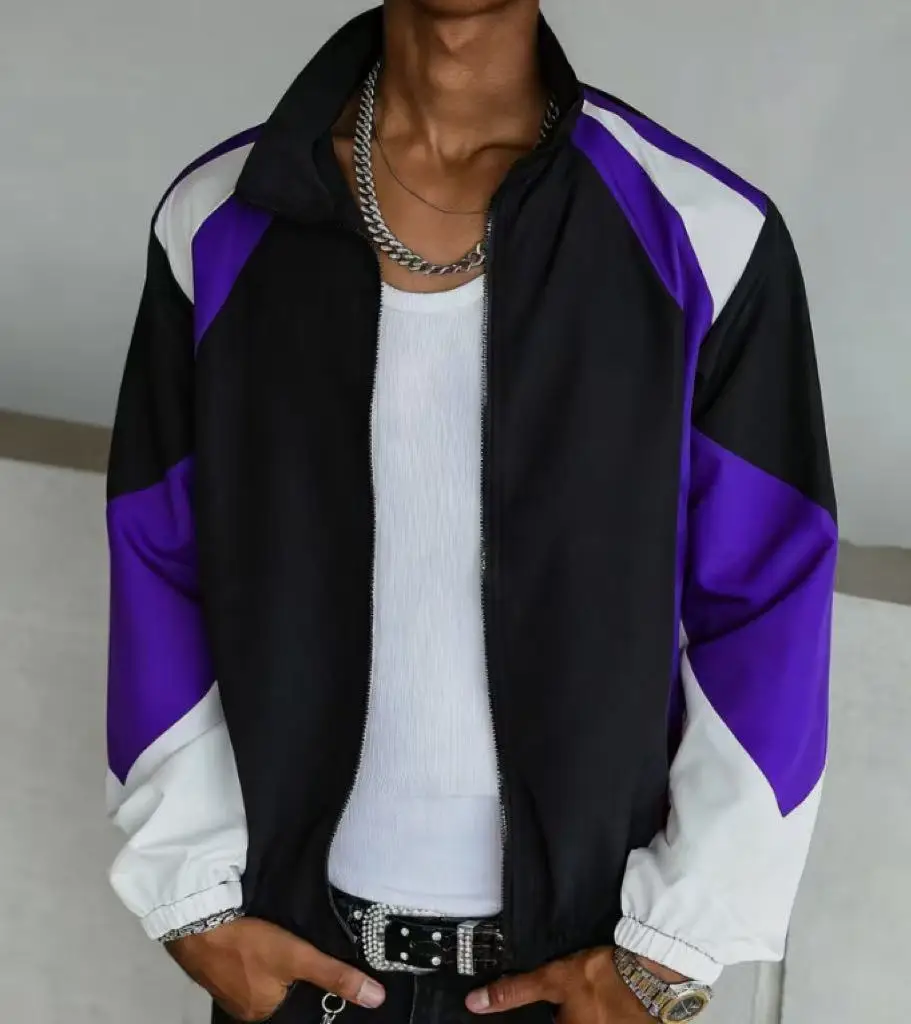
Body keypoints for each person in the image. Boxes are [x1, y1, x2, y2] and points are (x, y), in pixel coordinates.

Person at [104, 1, 838, 1022]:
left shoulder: (702, 235)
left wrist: (671, 954)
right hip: (299, 965)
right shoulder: (219, 220)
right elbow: (156, 553)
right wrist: (190, 902)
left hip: (579, 974)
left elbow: (768, 595)